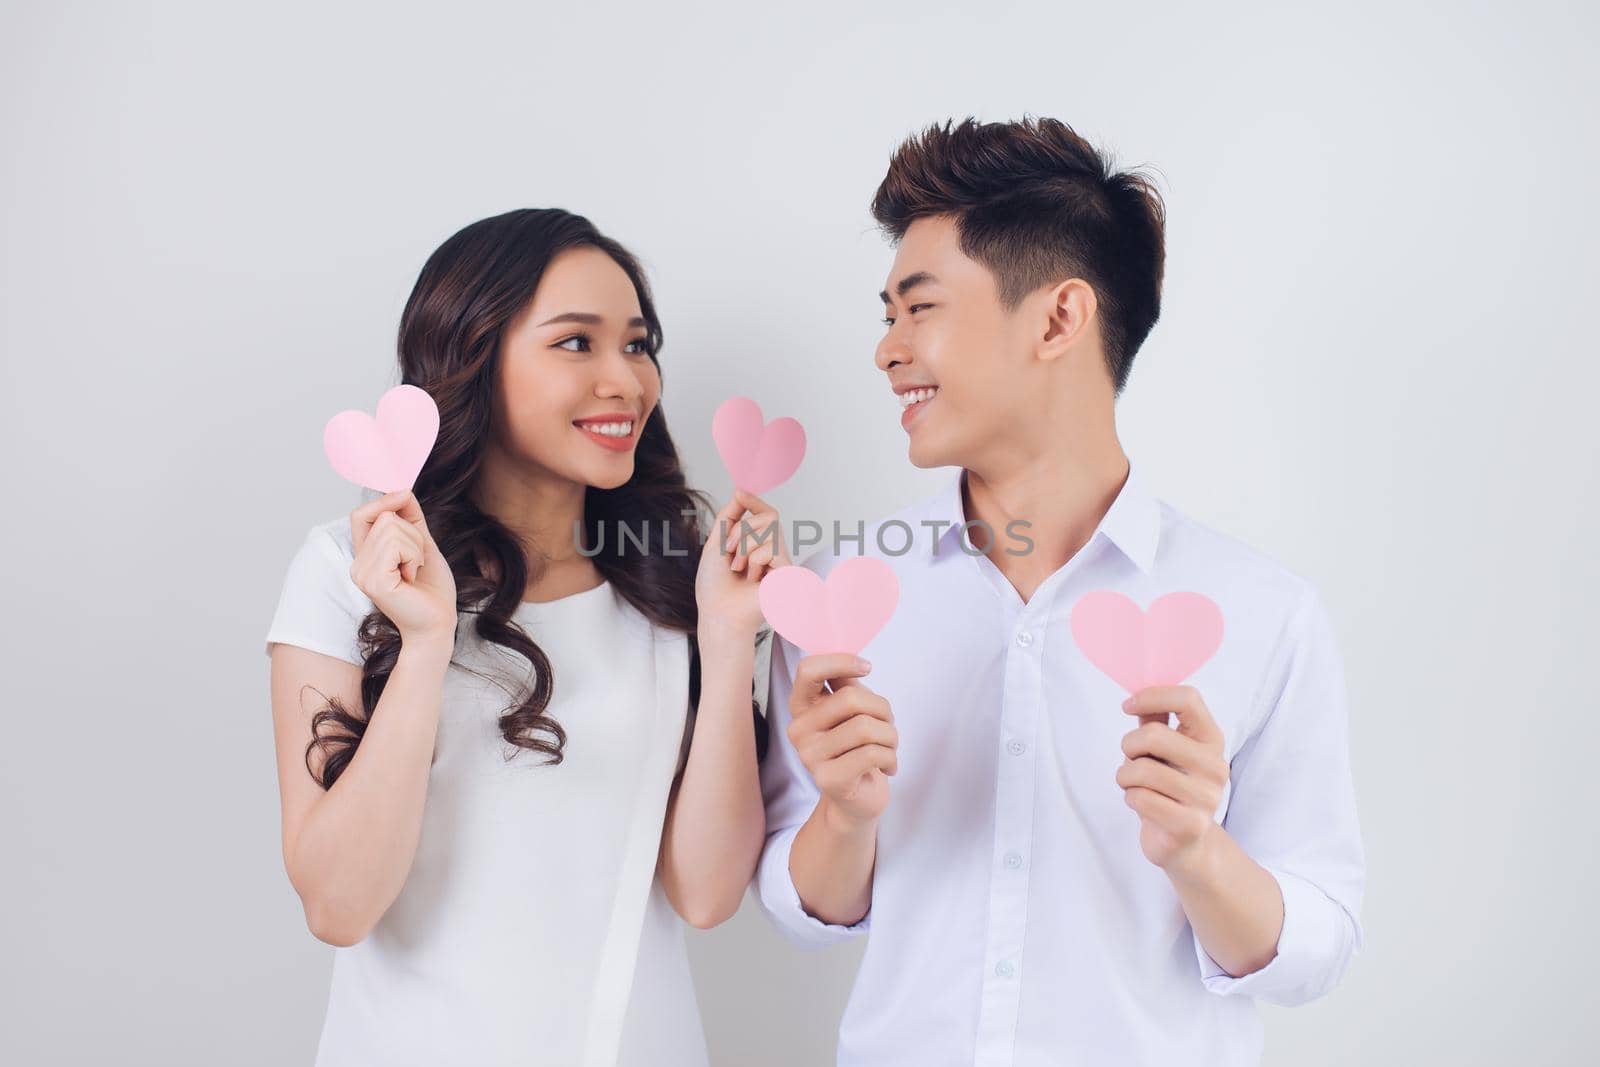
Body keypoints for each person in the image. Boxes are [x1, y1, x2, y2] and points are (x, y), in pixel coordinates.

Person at [755, 117, 1366, 1065]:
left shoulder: (1261, 611)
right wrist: (845, 817)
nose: (887, 350)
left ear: (1057, 318)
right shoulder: (847, 591)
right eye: (887, 316)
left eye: (920, 308)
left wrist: (1199, 851)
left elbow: (1315, 947)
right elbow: (802, 910)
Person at [264, 208, 784, 1066]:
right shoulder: (343, 570)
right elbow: (339, 904)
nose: (626, 379)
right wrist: (427, 642)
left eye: (638, 343)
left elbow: (706, 892)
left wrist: (728, 642)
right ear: (474, 359)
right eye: (576, 343)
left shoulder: (667, 583)